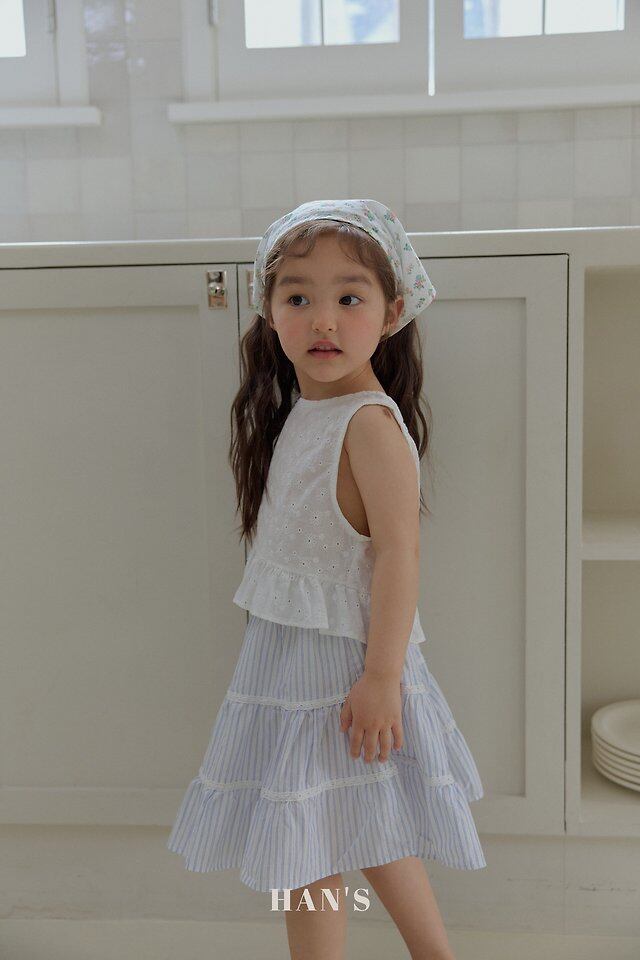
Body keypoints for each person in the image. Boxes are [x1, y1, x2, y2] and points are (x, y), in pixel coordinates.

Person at [166, 198, 486, 960]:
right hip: (294, 667)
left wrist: (381, 677)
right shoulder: (303, 416)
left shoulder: (368, 425)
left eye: (349, 298)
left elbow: (400, 556)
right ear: (269, 310)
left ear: (392, 311)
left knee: (316, 845)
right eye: (298, 298)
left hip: (344, 671)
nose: (322, 321)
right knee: (356, 828)